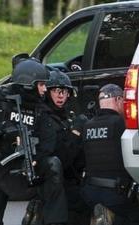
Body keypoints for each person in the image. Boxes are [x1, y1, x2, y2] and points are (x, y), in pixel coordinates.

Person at [0, 58, 67, 225]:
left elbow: (49, 140)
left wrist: (35, 155)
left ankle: (51, 219)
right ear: (29, 83)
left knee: (53, 165)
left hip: (26, 164)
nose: (45, 89)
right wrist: (5, 129)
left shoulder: (39, 107)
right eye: (41, 84)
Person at [22, 70, 90, 225]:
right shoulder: (44, 118)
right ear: (47, 92)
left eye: (64, 91)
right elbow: (60, 159)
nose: (61, 95)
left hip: (71, 180)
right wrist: (76, 132)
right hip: (50, 181)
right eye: (56, 91)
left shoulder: (68, 117)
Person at [79, 84, 139, 225]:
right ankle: (110, 217)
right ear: (118, 100)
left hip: (90, 192)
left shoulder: (87, 125)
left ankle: (104, 216)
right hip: (116, 192)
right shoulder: (121, 123)